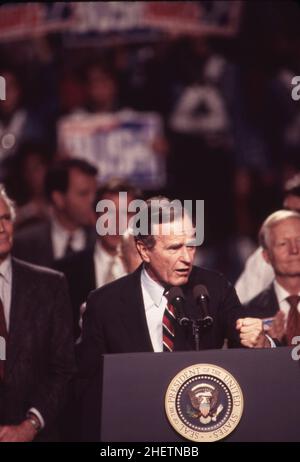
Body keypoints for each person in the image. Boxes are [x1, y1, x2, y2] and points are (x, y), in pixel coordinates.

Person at [0, 184, 75, 442]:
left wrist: (30, 425)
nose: (2, 227)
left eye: (6, 218)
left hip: (39, 433)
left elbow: (63, 369)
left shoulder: (50, 285)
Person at [55, 178, 141, 339]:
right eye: (109, 212)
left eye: (127, 213)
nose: (118, 222)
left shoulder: (153, 271)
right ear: (94, 217)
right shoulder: (64, 272)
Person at [12, 158, 98, 268]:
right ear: (59, 199)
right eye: (83, 194)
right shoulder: (23, 245)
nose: (93, 200)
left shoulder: (102, 240)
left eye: (95, 193)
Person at [235, 172, 300, 303]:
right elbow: (240, 308)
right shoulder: (266, 256)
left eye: (298, 213)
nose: (290, 220)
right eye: (287, 211)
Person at [244, 210, 300, 345]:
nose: (294, 250)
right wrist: (269, 344)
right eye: (283, 244)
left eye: (299, 240)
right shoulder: (249, 315)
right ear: (266, 256)